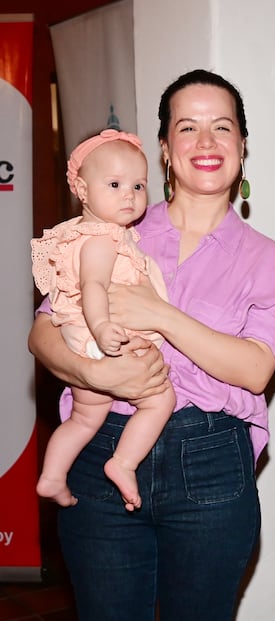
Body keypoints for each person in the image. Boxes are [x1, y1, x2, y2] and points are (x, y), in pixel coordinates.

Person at [28, 70, 275, 621]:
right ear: (167, 149)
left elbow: (255, 370)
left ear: (243, 146)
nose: (207, 140)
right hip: (100, 453)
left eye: (222, 127)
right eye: (187, 127)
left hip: (210, 466)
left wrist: (161, 316)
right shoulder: (112, 227)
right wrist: (101, 378)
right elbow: (43, 330)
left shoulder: (265, 258)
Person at [31, 130, 175, 511]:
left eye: (138, 185)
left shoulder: (93, 234)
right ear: (81, 188)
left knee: (83, 419)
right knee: (161, 399)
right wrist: (102, 329)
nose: (129, 194)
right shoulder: (101, 239)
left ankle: (52, 476)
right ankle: (124, 463)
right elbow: (93, 286)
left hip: (85, 338)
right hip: (98, 337)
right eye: (114, 184)